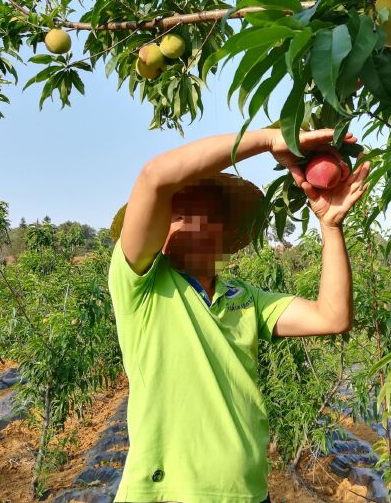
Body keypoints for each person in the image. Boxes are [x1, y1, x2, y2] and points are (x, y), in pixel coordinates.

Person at [107, 127, 371, 503]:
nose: (194, 224)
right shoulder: (140, 285)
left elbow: (332, 316)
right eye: (180, 213)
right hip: (163, 494)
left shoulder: (245, 297)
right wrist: (267, 140)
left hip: (246, 493)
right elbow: (154, 177)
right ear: (158, 227)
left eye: (207, 215)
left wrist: (330, 228)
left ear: (223, 232)